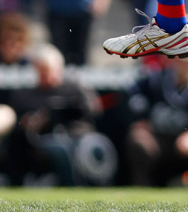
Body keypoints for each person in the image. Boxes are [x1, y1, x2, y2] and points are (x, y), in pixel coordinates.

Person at [3, 43, 115, 186]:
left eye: (47, 71)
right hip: (44, 139)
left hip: (79, 136)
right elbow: (17, 121)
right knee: (59, 148)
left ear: (59, 69)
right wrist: (31, 122)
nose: (44, 77)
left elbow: (95, 109)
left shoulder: (74, 87)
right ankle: (72, 188)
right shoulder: (26, 95)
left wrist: (68, 109)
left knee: (96, 147)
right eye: (40, 72)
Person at [124, 53, 188, 187]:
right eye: (181, 61)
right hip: (159, 141)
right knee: (138, 139)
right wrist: (140, 119)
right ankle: (142, 188)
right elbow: (132, 93)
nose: (185, 66)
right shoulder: (155, 79)